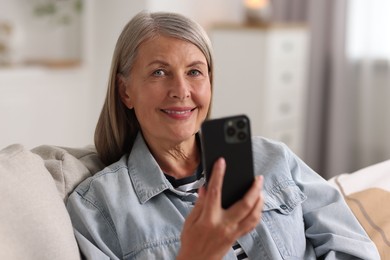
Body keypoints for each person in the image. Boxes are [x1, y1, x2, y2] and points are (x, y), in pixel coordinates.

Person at [66, 11, 380, 260]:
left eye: (194, 72)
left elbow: (355, 249)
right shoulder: (98, 207)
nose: (181, 91)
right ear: (125, 92)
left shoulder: (274, 160)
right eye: (159, 72)